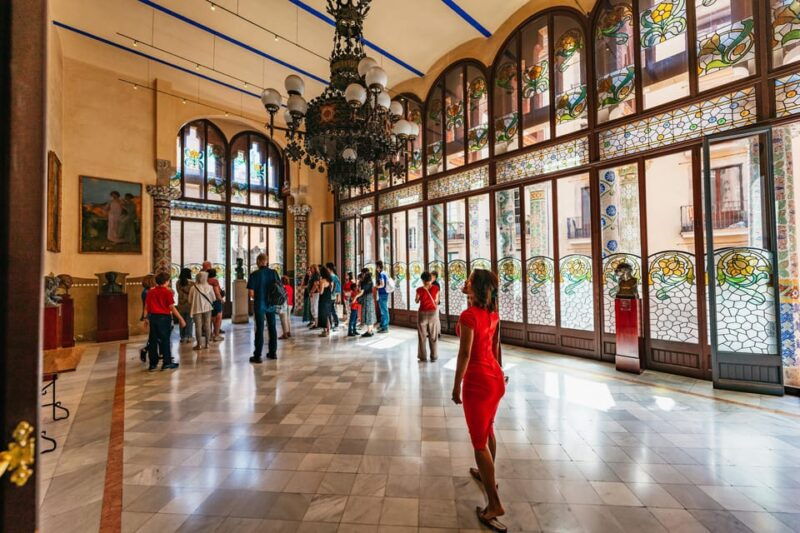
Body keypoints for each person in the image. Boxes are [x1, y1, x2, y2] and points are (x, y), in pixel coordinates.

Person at [451, 270, 506, 531]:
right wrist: (501, 372)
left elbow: (465, 353)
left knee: (478, 442)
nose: (465, 282)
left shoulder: (469, 316)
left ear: (477, 287)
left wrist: (456, 385)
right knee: (488, 430)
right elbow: (496, 347)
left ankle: (494, 504)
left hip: (478, 382)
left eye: (470, 281)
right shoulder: (492, 314)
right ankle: (487, 475)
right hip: (494, 378)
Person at [144, 272, 185, 371]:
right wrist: (181, 318)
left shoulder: (151, 292)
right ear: (166, 281)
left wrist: (146, 318)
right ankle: (167, 363)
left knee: (153, 341)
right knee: (165, 340)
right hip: (164, 318)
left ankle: (153, 364)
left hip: (153, 317)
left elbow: (146, 306)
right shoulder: (167, 292)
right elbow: (172, 307)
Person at [248, 253, 280, 362]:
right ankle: (273, 353)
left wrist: (258, 296)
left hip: (259, 305)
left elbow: (251, 294)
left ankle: (257, 355)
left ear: (258, 262)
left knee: (259, 329)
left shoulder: (254, 275)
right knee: (272, 328)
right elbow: (279, 287)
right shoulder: (274, 273)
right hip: (271, 304)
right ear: (266, 261)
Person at [415, 271, 441, 362]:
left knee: (422, 337)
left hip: (422, 314)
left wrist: (421, 298)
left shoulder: (419, 290)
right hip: (433, 314)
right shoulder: (436, 288)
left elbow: (416, 301)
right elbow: (437, 301)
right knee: (433, 336)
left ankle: (422, 357)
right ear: (430, 279)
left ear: (422, 280)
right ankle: (434, 356)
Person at [189, 271, 215, 349]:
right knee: (207, 325)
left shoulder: (193, 288)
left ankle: (199, 345)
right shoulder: (210, 287)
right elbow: (214, 298)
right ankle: (207, 344)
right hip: (208, 308)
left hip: (196, 308)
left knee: (198, 326)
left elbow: (189, 300)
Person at [203, 262, 225, 341]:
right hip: (216, 301)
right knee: (218, 318)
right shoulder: (214, 281)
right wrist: (221, 299)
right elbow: (217, 292)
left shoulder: (205, 280)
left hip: (208, 301)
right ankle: (216, 335)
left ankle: (211, 335)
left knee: (211, 318)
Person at [139, 275, 156, 362]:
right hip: (151, 315)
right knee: (155, 336)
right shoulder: (147, 292)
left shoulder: (147, 291)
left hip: (151, 314)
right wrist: (146, 317)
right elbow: (148, 306)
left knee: (154, 336)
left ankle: (156, 353)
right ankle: (145, 349)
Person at [175, 268, 194, 344]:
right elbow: (193, 293)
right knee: (189, 321)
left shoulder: (178, 282)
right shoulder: (192, 283)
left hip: (181, 304)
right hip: (189, 304)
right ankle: (188, 336)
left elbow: (178, 291)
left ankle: (182, 337)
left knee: (181, 320)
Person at [317, 266, 334, 337]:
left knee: (323, 315)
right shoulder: (330, 281)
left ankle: (325, 331)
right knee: (327, 315)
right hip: (329, 299)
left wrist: (317, 286)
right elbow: (331, 290)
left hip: (323, 299)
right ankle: (328, 330)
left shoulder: (322, 281)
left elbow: (321, 292)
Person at [359, 270, 376, 338]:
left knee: (367, 314)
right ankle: (370, 330)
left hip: (366, 298)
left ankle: (369, 331)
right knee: (371, 313)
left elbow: (361, 292)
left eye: (362, 273)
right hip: (371, 297)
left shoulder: (363, 282)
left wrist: (355, 297)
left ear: (364, 274)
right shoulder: (371, 281)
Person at [326, 262, 341, 331]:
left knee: (329, 310)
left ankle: (330, 324)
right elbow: (338, 288)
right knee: (332, 310)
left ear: (329, 269)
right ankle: (336, 322)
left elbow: (336, 287)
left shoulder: (331, 277)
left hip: (330, 295)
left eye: (327, 268)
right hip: (333, 296)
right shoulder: (335, 276)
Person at [376, 260, 390, 333]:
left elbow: (382, 285)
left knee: (384, 311)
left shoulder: (381, 274)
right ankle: (382, 325)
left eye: (376, 266)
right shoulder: (385, 273)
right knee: (383, 310)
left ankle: (385, 327)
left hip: (382, 294)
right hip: (385, 293)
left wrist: (376, 287)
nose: (376, 268)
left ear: (378, 266)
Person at [278, 275, 294, 339]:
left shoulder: (283, 287)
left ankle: (285, 334)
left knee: (283, 319)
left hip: (285, 304)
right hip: (290, 304)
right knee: (288, 319)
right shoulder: (290, 287)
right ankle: (289, 332)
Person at [308, 264, 321, 329]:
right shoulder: (313, 275)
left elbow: (316, 285)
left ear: (315, 268)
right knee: (313, 308)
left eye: (311, 268)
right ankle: (316, 323)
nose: (310, 269)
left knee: (314, 308)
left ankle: (317, 324)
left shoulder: (316, 275)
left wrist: (311, 292)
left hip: (315, 293)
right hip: (313, 293)